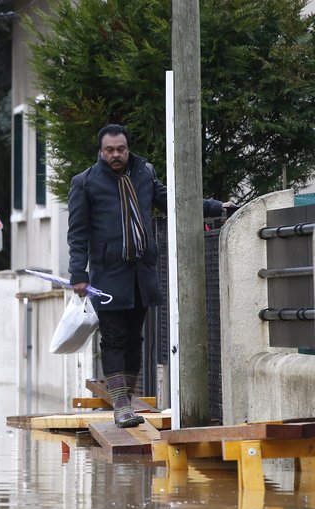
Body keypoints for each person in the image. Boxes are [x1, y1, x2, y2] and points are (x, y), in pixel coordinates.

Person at [66, 124, 232, 428]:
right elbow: (77, 233)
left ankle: (126, 402)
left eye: (121, 149)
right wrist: (79, 274)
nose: (116, 155)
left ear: (127, 149)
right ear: (100, 152)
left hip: (141, 272)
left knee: (134, 338)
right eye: (109, 150)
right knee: (114, 338)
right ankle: (120, 406)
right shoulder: (85, 183)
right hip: (107, 274)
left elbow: (173, 203)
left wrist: (215, 206)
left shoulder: (144, 174)